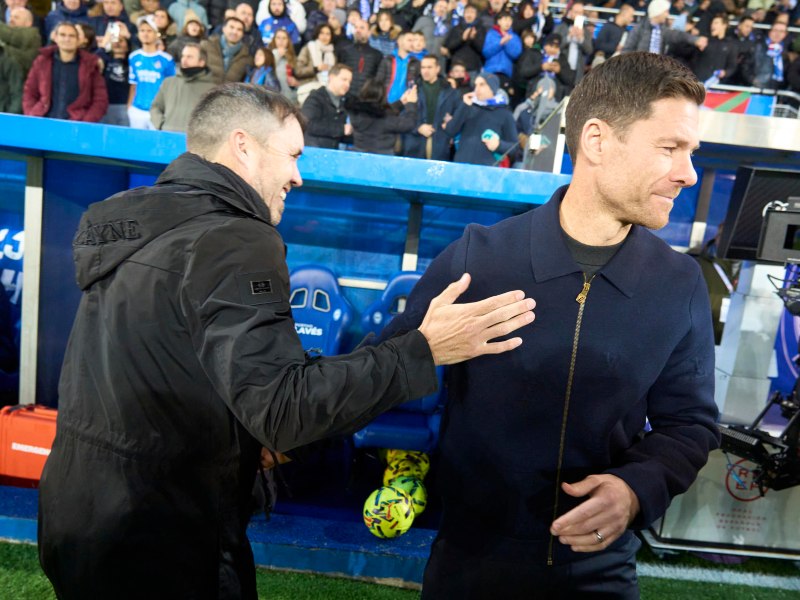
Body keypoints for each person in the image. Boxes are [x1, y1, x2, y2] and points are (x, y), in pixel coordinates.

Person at [37, 82, 535, 599]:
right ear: (243, 146)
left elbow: (169, 368)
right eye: (294, 155)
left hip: (77, 513)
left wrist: (245, 438)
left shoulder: (135, 219)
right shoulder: (233, 236)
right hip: (158, 535)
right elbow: (285, 410)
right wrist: (424, 349)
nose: (298, 175)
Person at [378, 52, 720, 598]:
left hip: (599, 574)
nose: (688, 172)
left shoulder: (677, 283)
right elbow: (379, 370)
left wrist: (635, 490)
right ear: (597, 140)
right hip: (469, 567)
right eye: (670, 148)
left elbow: (689, 426)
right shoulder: (480, 259)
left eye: (690, 151)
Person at [23, 21, 108, 121]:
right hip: (43, 123)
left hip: (76, 126)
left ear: (78, 40)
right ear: (55, 37)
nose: (67, 39)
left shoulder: (90, 65)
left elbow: (100, 100)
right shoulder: (42, 61)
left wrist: (86, 122)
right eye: (62, 35)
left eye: (71, 36)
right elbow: (29, 92)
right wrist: (32, 114)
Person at [444, 70, 517, 166]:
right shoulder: (468, 107)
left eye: (482, 85)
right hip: (461, 167)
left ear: (492, 88)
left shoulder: (505, 113)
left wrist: (498, 145)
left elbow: (514, 148)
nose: (477, 89)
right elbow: (450, 130)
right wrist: (464, 106)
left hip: (487, 171)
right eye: (476, 85)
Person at [150, 42, 216, 131]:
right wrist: (161, 125)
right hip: (167, 137)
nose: (184, 60)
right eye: (183, 56)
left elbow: (215, 118)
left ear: (201, 62)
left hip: (195, 141)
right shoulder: (168, 82)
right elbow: (155, 107)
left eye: (189, 57)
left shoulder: (212, 89)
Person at [403, 53, 458, 160]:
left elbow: (456, 116)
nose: (425, 71)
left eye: (429, 67)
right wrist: (418, 127)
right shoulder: (413, 90)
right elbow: (404, 116)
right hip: (415, 142)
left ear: (437, 69)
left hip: (440, 142)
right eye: (423, 67)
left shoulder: (450, 92)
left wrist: (450, 130)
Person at [346, 76, 418, 154]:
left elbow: (374, 110)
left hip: (359, 157)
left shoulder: (355, 114)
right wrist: (411, 103)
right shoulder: (385, 119)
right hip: (383, 160)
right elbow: (409, 124)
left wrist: (400, 103)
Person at [127, 14, 175, 128]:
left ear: (156, 34)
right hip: (137, 110)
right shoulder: (134, 57)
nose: (145, 33)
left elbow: (171, 88)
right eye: (142, 30)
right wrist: (129, 106)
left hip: (157, 111)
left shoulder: (166, 59)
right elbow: (133, 85)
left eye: (149, 30)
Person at [623, 0, 707, 55]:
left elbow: (677, 35)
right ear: (658, 12)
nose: (667, 15)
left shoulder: (663, 29)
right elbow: (627, 51)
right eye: (665, 11)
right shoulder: (639, 28)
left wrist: (695, 39)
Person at [301, 62, 352, 148]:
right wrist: (341, 129)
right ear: (331, 77)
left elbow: (340, 134)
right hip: (314, 151)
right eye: (344, 79)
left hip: (332, 152)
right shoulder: (315, 98)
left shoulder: (345, 101)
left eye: (349, 82)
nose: (347, 85)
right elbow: (308, 124)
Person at [335, 17, 382, 98]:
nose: (358, 30)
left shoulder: (377, 55)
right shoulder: (344, 51)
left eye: (362, 28)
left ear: (369, 32)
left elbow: (377, 79)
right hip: (345, 97)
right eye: (356, 27)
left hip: (367, 98)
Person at [293, 22, 336, 104]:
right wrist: (316, 69)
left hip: (326, 93)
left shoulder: (333, 53)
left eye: (328, 34)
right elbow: (298, 70)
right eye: (322, 33)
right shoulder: (308, 48)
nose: (325, 36)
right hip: (307, 90)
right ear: (317, 34)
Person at [202, 16, 254, 83]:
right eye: (231, 27)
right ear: (223, 29)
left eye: (239, 29)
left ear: (242, 34)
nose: (235, 32)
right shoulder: (207, 46)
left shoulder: (247, 57)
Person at [753, 20, 790, 89]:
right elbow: (747, 65)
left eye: (781, 31)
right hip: (755, 88)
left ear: (785, 35)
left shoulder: (785, 53)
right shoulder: (757, 46)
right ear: (770, 32)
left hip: (775, 90)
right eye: (775, 30)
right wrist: (752, 80)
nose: (777, 34)